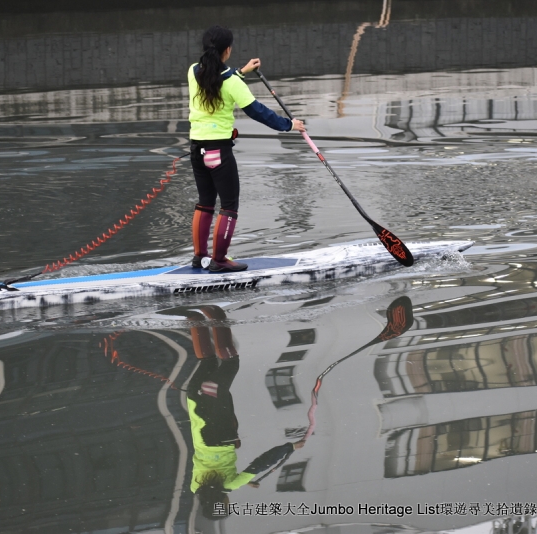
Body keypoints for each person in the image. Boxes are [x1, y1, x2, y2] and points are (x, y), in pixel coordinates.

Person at [188, 26, 306, 272]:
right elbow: (257, 112)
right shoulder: (231, 82)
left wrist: (241, 72)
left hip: (197, 150)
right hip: (218, 153)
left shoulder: (193, 72)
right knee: (229, 205)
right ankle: (219, 261)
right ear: (227, 50)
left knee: (205, 202)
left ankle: (200, 257)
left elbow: (218, 79)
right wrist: (289, 125)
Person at [179, 305, 305, 519]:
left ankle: (216, 316)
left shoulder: (229, 484)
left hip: (216, 417)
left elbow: (262, 462)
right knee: (208, 362)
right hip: (197, 409)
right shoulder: (195, 488)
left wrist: (289, 446)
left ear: (221, 503)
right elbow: (220, 483)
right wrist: (247, 480)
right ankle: (194, 318)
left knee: (230, 362)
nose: (229, 503)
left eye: (226, 506)